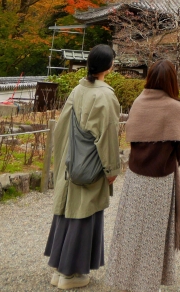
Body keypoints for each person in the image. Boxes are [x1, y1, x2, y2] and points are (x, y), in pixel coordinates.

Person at [106, 59, 180, 292]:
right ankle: (148, 282)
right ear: (172, 81)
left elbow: (132, 135)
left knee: (130, 229)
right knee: (153, 234)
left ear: (150, 78)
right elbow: (179, 148)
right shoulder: (175, 107)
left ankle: (124, 276)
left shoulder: (139, 102)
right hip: (160, 178)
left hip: (135, 175)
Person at [45, 44, 121, 289]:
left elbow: (62, 127)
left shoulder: (78, 89)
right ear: (109, 67)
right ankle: (71, 274)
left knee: (68, 211)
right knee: (84, 214)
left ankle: (59, 269)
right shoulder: (105, 95)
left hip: (71, 161)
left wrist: (65, 160)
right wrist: (111, 170)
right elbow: (108, 136)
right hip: (91, 163)